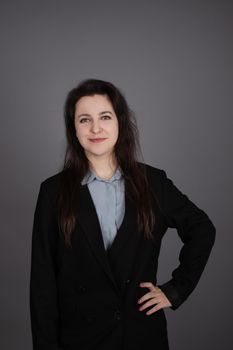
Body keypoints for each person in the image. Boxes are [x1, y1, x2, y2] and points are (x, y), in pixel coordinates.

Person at [30, 79, 216, 350]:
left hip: (140, 336)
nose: (95, 128)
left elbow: (202, 228)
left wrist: (175, 290)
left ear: (120, 121)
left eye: (105, 116)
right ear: (74, 128)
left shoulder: (153, 183)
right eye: (84, 120)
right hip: (79, 339)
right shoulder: (52, 192)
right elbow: (42, 286)